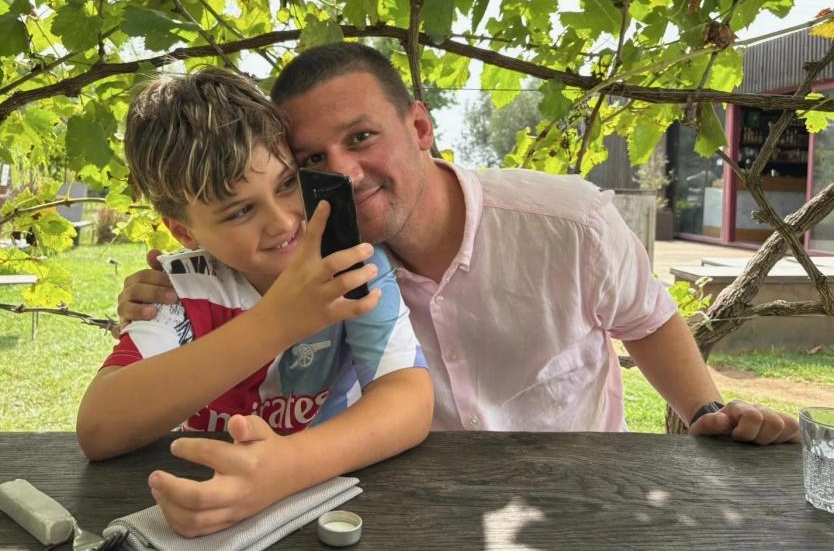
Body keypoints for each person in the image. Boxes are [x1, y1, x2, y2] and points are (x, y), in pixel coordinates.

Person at [119, 43, 800, 443]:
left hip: (580, 503)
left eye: (361, 137)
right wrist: (179, 283)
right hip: (419, 511)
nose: (345, 173)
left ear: (420, 127)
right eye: (314, 160)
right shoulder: (334, 266)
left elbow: (648, 320)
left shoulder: (570, 222)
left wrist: (707, 413)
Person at [77, 67, 433, 537]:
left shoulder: (349, 264)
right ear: (183, 231)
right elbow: (99, 429)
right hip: (208, 503)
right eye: (241, 210)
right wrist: (275, 323)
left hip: (334, 501)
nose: (284, 221)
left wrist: (285, 467)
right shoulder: (181, 289)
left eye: (287, 184)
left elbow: (409, 398)